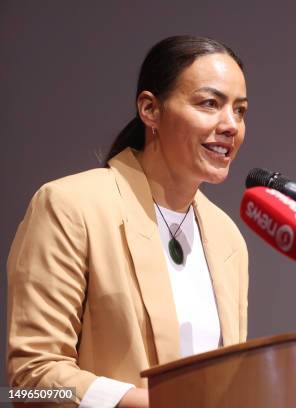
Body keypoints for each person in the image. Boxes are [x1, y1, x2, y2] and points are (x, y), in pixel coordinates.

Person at [6, 35, 249, 408]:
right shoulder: (71, 206)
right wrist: (152, 403)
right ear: (150, 109)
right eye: (209, 104)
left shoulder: (226, 237)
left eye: (240, 110)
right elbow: (31, 381)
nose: (230, 124)